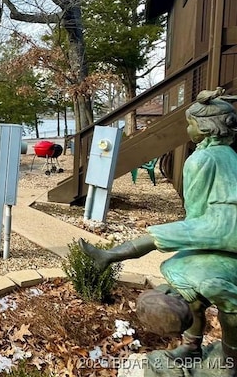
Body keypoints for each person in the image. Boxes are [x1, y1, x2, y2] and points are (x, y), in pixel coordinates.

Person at [79, 87, 237, 373]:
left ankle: (229, 359)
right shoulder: (229, 154)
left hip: (222, 228)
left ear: (203, 126)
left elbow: (197, 213)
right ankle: (193, 346)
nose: (187, 129)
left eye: (189, 123)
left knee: (171, 249)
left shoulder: (201, 159)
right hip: (225, 230)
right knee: (189, 284)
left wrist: (184, 235)